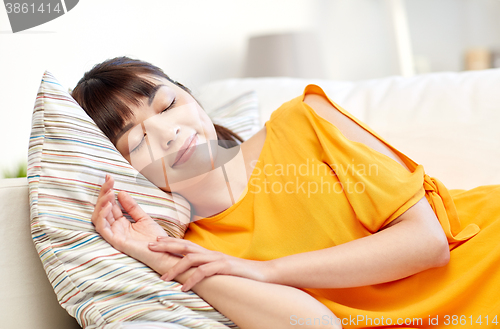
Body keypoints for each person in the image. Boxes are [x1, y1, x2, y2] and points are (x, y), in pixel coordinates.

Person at [72, 56, 500, 329]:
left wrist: (269, 269)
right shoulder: (198, 252)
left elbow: (427, 243)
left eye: (167, 105)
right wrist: (158, 255)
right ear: (122, 169)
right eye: (138, 141)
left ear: (194, 101)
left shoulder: (302, 120)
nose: (168, 133)